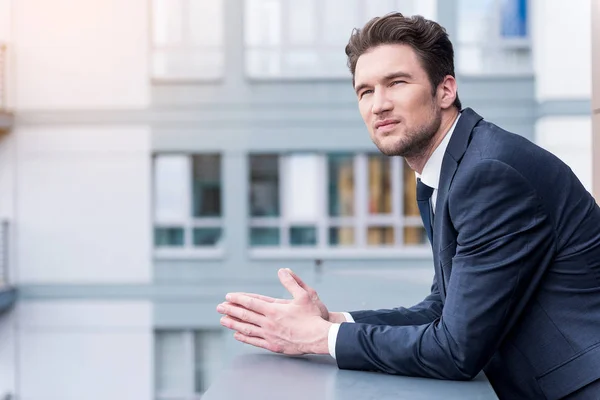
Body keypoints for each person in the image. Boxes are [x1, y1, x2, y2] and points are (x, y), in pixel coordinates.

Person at [216, 12, 600, 399]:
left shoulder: (489, 175)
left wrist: (323, 339)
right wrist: (332, 321)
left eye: (396, 83)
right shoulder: (449, 171)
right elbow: (442, 307)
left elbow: (455, 351)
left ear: (445, 90)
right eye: (365, 91)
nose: (378, 105)